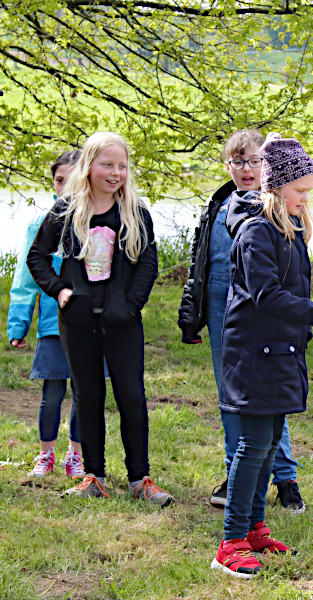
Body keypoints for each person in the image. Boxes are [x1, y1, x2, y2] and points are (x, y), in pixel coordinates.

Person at [210, 133, 313, 579]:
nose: (304, 200)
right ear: (276, 186)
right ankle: (231, 540)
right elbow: (268, 296)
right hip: (253, 355)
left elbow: (291, 293)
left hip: (280, 353)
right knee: (251, 445)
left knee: (268, 443)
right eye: (299, 191)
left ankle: (256, 528)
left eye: (308, 192)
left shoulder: (290, 229)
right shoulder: (257, 230)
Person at [27, 132, 173, 505]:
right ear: (89, 166)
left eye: (122, 166)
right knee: (88, 396)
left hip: (122, 322)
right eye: (107, 165)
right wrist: (62, 292)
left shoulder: (135, 212)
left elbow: (148, 263)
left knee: (132, 397)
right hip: (77, 323)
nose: (115, 173)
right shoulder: (65, 211)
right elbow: (37, 258)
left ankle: (140, 479)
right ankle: (93, 476)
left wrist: (131, 305)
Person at [178, 129, 306, 513]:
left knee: (268, 396)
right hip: (222, 306)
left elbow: (291, 271)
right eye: (237, 162)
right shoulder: (219, 204)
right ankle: (237, 473)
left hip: (263, 309)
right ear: (227, 166)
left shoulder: (277, 207)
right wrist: (190, 314)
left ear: (266, 165)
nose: (246, 169)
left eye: (253, 161)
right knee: (232, 397)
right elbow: (200, 265)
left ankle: (285, 478)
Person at [8, 150, 85, 479]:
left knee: (85, 394)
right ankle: (45, 455)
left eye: (72, 180)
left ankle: (76, 456)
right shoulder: (39, 226)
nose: (65, 188)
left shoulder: (100, 221)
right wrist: (18, 323)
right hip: (54, 328)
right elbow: (25, 281)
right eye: (58, 181)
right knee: (51, 394)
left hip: (91, 328)